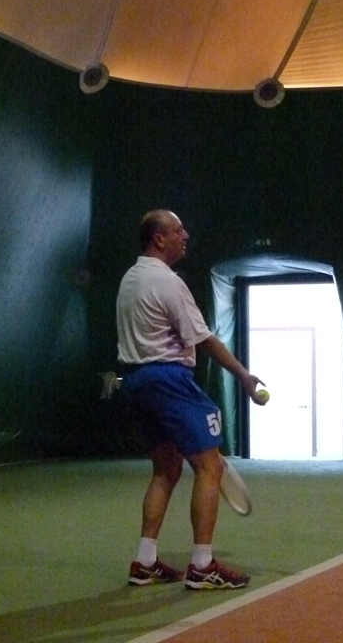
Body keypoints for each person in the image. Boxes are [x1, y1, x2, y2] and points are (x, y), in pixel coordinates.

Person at [116, 209, 266, 590]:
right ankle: (202, 566)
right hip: (168, 379)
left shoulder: (129, 279)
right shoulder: (168, 282)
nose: (185, 235)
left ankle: (145, 561)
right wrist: (244, 375)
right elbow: (205, 339)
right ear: (158, 239)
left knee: (166, 470)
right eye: (178, 230)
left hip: (136, 382)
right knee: (210, 467)